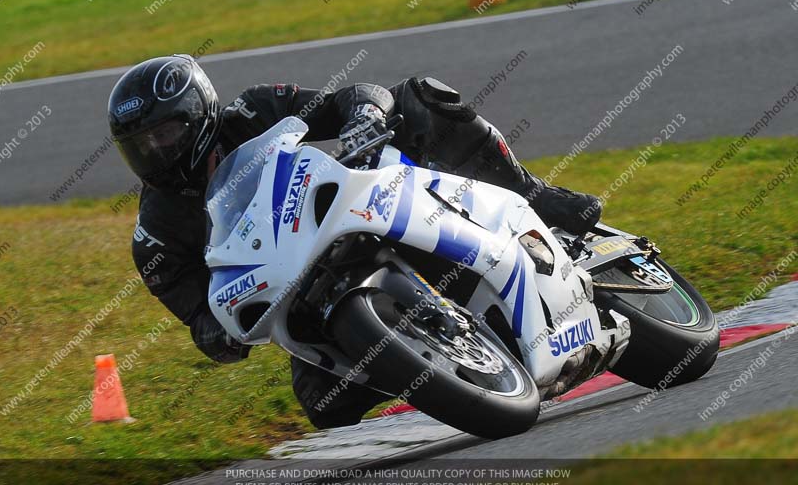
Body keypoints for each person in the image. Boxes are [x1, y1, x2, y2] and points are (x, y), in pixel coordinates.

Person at [108, 54, 601, 428]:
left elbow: (349, 96)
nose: (155, 152)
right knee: (323, 403)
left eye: (166, 134)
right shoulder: (155, 236)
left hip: (347, 207)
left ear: (199, 114)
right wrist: (215, 332)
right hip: (299, 283)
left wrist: (363, 113)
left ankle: (534, 193)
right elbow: (200, 317)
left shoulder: (253, 109)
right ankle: (433, 364)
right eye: (140, 146)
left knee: (415, 97)